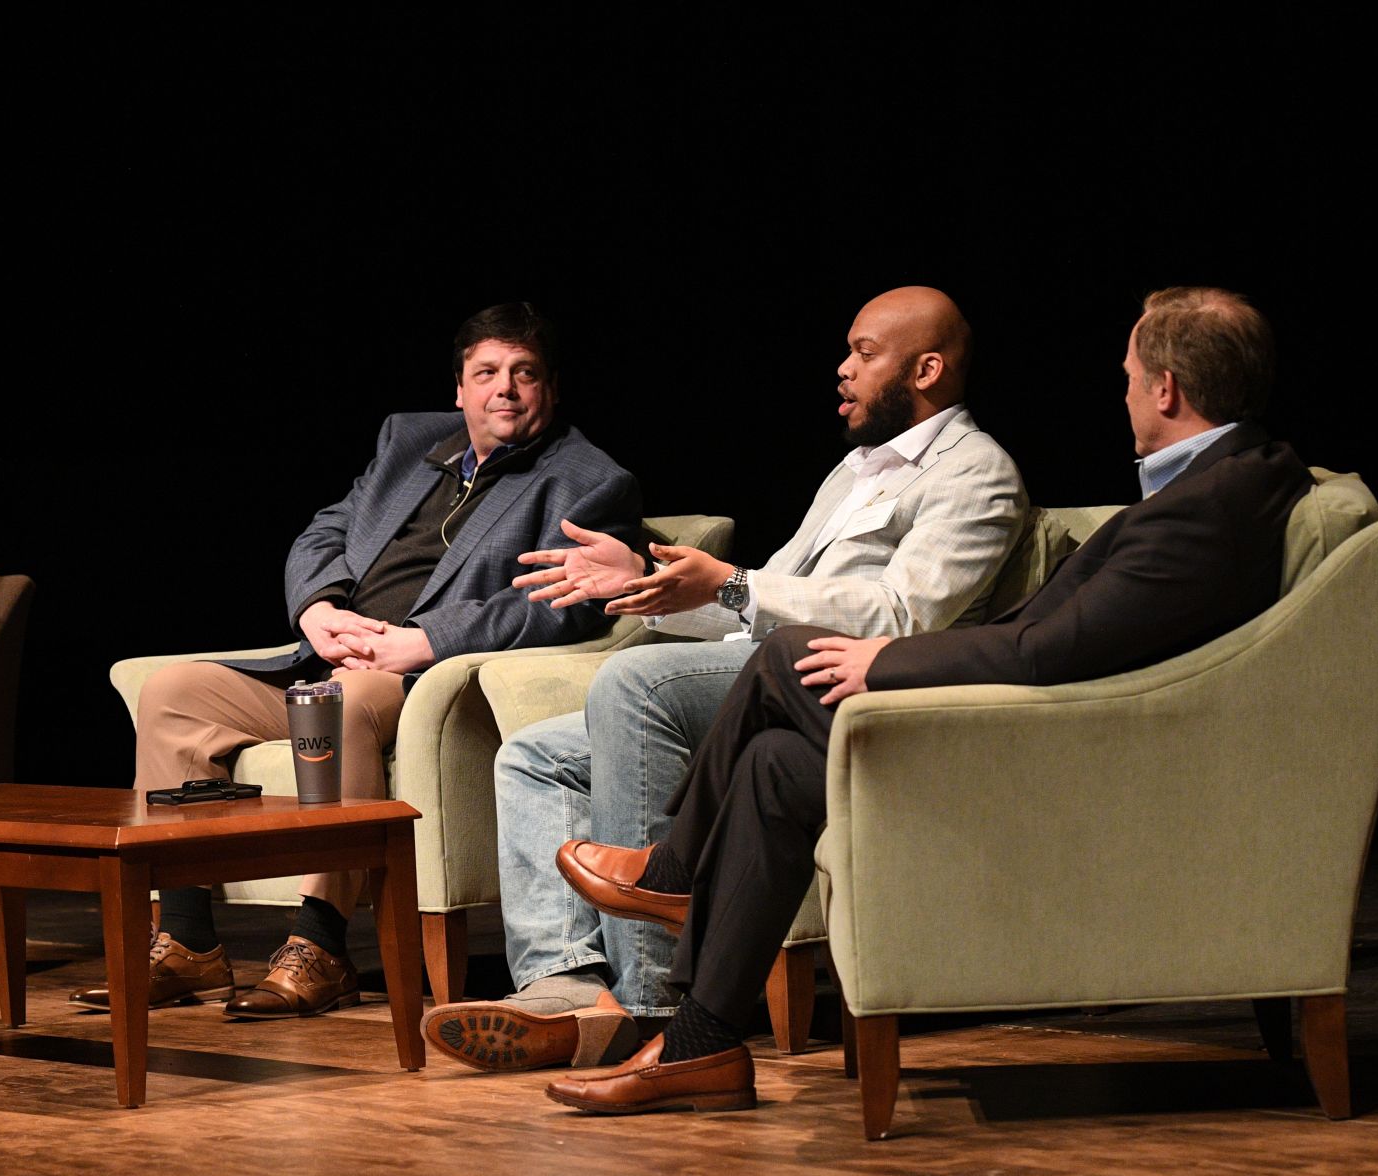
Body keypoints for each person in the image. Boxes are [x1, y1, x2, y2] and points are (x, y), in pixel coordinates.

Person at [550, 286, 1311, 1113]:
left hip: (1052, 749)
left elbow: (1045, 650)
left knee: (782, 657)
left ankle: (674, 871)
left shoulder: (1208, 505)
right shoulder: (1230, 481)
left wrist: (887, 662)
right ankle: (703, 1044)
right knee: (772, 765)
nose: (1121, 390)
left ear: (1165, 389)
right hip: (1040, 721)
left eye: (1129, 376)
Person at [421, 287, 1027, 1072]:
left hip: (846, 686)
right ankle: (564, 987)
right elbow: (753, 607)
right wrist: (644, 583)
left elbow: (905, 614)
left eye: (865, 353)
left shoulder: (975, 474)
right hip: (767, 668)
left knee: (635, 685)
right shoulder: (855, 472)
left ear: (928, 369)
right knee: (536, 756)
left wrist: (736, 582)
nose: (843, 369)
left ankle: (652, 1003)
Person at [69, 302, 642, 1019]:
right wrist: (319, 608)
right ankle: (188, 943)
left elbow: (563, 603)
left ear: (550, 388)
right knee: (173, 692)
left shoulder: (587, 479)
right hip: (331, 655)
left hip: (423, 681)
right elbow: (326, 531)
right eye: (487, 372)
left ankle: (321, 947)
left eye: (524, 373)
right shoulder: (410, 443)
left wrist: (426, 641)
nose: (505, 388)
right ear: (459, 388)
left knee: (338, 705)